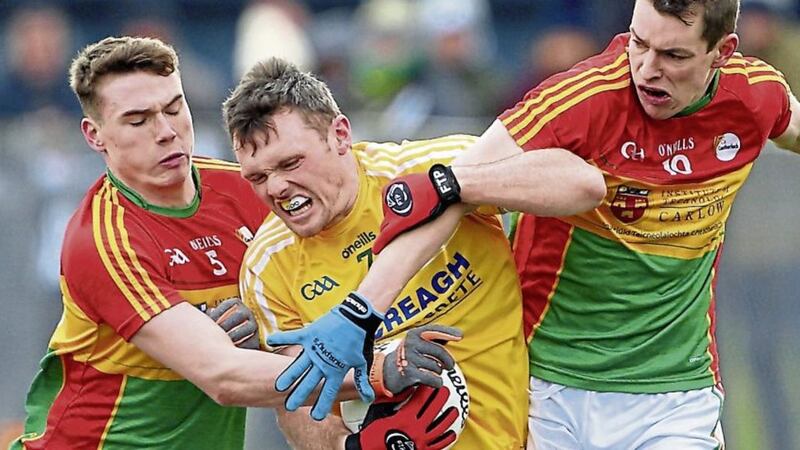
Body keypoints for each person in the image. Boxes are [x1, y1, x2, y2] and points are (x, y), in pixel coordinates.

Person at [368, 0, 800, 448]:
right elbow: (444, 196)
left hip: (676, 394)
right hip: (553, 388)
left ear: (723, 51)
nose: (647, 69)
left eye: (674, 56)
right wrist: (358, 316)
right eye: (638, 42)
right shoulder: (582, 99)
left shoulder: (754, 96)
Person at [10, 36, 453, 450]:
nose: (166, 131)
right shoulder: (104, 238)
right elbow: (222, 375)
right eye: (138, 120)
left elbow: (303, 311)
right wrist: (375, 369)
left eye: (174, 107)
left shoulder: (247, 187)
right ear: (94, 136)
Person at [221, 58, 592, 449]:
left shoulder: (427, 171)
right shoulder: (267, 267)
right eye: (257, 177)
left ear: (340, 134)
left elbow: (580, 182)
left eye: (290, 163)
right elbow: (298, 402)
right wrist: (351, 446)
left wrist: (454, 187)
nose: (276, 187)